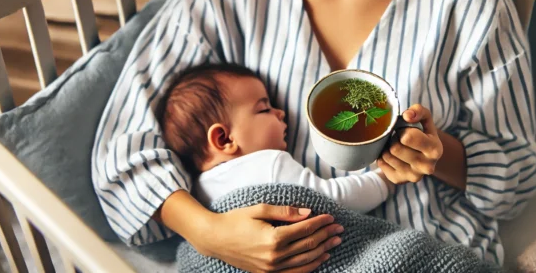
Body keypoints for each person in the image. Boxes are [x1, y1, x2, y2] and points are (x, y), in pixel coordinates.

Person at [92, 0, 536, 271]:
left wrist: (437, 154)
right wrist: (209, 232)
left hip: (423, 251)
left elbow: (518, 176)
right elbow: (122, 152)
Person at [157, 62, 392, 213]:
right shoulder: (269, 163)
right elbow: (334, 200)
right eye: (264, 109)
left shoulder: (195, 194)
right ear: (224, 139)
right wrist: (386, 179)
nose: (280, 113)